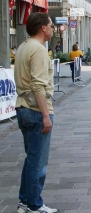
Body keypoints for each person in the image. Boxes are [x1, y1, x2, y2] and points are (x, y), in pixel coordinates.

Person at [14, 12, 58, 213]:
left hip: (23, 108)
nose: (53, 28)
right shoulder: (38, 50)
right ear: (43, 27)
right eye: (50, 25)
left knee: (31, 158)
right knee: (38, 162)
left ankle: (25, 201)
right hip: (35, 110)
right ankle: (34, 204)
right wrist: (46, 115)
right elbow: (38, 85)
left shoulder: (23, 47)